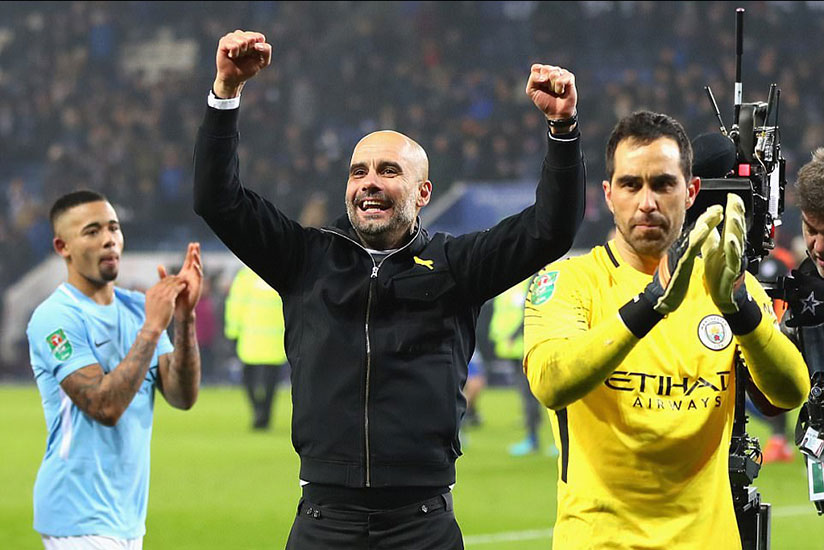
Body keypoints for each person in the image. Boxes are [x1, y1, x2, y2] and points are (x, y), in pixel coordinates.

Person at [194, 30, 585, 549]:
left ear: (423, 192)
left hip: (421, 523)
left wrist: (563, 129)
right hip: (323, 521)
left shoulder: (456, 265)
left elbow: (550, 229)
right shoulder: (305, 258)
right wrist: (225, 94)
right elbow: (217, 201)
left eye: (388, 171)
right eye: (358, 172)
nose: (369, 182)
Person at [523, 111, 810, 549]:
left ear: (690, 191)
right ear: (609, 195)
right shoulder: (567, 282)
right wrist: (650, 303)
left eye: (663, 184)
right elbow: (550, 381)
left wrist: (740, 309)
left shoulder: (728, 282)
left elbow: (791, 392)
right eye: (631, 184)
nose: (647, 202)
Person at [27, 190, 202, 550]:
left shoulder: (138, 307)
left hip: (127, 516)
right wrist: (152, 328)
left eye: (113, 228)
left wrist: (184, 318)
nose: (109, 239)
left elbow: (182, 396)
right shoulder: (55, 317)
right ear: (62, 246)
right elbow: (103, 405)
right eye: (92, 231)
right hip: (77, 515)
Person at [488, 279, 548, 456]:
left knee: (532, 395)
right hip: (513, 349)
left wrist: (513, 336)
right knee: (528, 395)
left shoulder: (530, 282)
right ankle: (534, 438)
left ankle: (534, 439)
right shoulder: (511, 283)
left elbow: (530, 313)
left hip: (525, 346)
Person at [225, 265, 287, 430]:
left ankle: (257, 409)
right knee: (271, 380)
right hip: (275, 338)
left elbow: (235, 306)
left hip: (250, 338)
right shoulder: (280, 273)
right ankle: (265, 412)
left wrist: (232, 332)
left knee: (248, 377)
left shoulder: (245, 278)